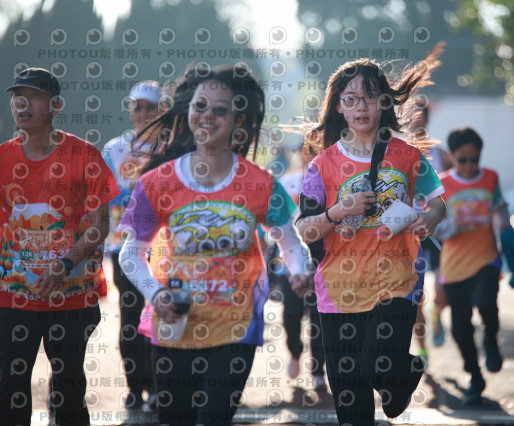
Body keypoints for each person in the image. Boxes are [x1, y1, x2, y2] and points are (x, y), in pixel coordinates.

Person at [117, 64, 312, 426]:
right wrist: (155, 294)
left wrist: (299, 272)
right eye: (200, 106)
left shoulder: (260, 183)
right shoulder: (156, 183)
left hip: (235, 327)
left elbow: (289, 240)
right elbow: (131, 253)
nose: (207, 116)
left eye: (219, 110)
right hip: (174, 324)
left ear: (239, 121)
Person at [296, 45, 446, 425]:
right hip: (338, 291)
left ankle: (400, 374)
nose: (360, 107)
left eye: (369, 97)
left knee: (375, 364)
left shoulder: (407, 156)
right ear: (339, 107)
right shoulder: (321, 165)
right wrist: (340, 210)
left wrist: (430, 218)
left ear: (383, 103)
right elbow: (306, 229)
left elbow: (438, 201)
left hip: (397, 281)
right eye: (350, 99)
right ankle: (404, 374)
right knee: (351, 408)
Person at [0, 67, 118, 425]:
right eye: (17, 97)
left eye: (34, 96)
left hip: (71, 296)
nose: (22, 103)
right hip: (13, 296)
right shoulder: (3, 159)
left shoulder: (84, 155)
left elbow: (99, 226)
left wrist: (64, 264)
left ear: (55, 106)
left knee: (68, 387)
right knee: (8, 386)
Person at [434, 127, 509, 405]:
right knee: (460, 328)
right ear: (451, 157)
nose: (468, 165)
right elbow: (433, 228)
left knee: (487, 303)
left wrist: (507, 231)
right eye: (462, 159)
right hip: (454, 267)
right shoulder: (441, 184)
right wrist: (452, 225)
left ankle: (491, 338)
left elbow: (499, 210)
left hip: (486, 258)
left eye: (474, 159)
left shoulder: (490, 178)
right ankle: (475, 377)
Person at [102, 80, 162, 411]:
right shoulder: (114, 149)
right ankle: (134, 387)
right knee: (130, 319)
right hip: (123, 247)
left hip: (163, 250)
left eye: (149, 107)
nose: (142, 112)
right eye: (137, 106)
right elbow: (105, 195)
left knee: (158, 316)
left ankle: (157, 387)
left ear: (161, 110)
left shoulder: (171, 147)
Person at [266, 145, 327, 392]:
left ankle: (318, 370)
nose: (310, 156)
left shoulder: (329, 182)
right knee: (290, 315)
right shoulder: (287, 182)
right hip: (289, 262)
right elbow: (276, 225)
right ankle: (295, 352)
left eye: (315, 150)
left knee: (319, 319)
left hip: (321, 262)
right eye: (306, 151)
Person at [404, 97, 452, 366]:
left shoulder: (440, 154)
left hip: (440, 232)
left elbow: (454, 188)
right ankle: (422, 349)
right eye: (411, 115)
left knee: (442, 290)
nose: (415, 120)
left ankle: (438, 311)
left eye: (419, 115)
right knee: (416, 296)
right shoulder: (397, 153)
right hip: (412, 233)